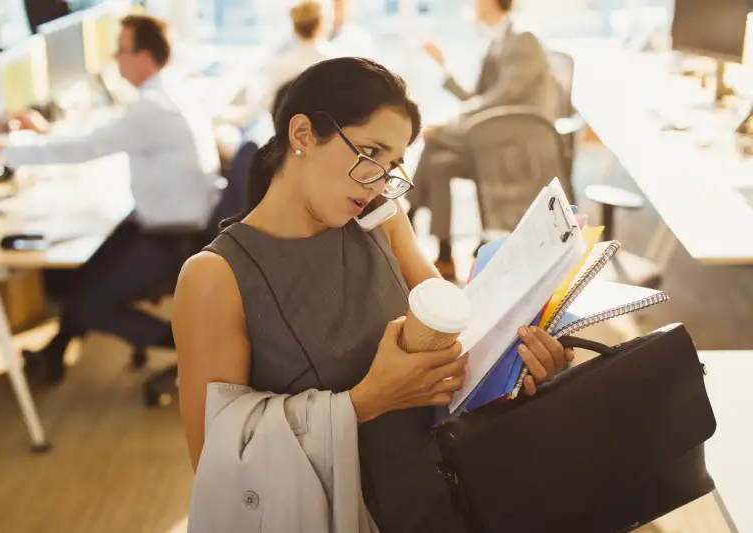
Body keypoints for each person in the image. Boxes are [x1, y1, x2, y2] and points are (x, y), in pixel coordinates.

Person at [173, 57, 573, 532]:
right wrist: (365, 401)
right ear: (302, 135)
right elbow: (218, 461)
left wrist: (516, 366)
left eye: (393, 165)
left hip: (444, 494)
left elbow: (459, 346)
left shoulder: (382, 220)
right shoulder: (215, 277)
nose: (381, 182)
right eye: (369, 154)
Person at [0, 14, 220, 383]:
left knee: (89, 305)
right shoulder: (165, 93)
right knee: (82, 277)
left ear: (144, 56)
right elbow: (96, 139)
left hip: (172, 237)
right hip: (169, 222)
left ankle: (193, 348)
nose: (114, 58)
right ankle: (54, 352)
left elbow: (86, 147)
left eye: (121, 50)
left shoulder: (152, 109)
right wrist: (41, 135)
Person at [407, 0, 561, 280]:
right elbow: (477, 100)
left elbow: (502, 99)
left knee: (435, 137)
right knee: (440, 161)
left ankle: (412, 215)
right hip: (495, 133)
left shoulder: (523, 37)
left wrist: (448, 123)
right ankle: (444, 252)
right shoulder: (498, 38)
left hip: (517, 140)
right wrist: (444, 66)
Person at [217, 0, 336, 130]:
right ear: (323, 24)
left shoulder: (279, 64)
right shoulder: (338, 64)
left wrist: (218, 116)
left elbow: (257, 112)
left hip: (289, 144)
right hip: (328, 141)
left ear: (294, 27)